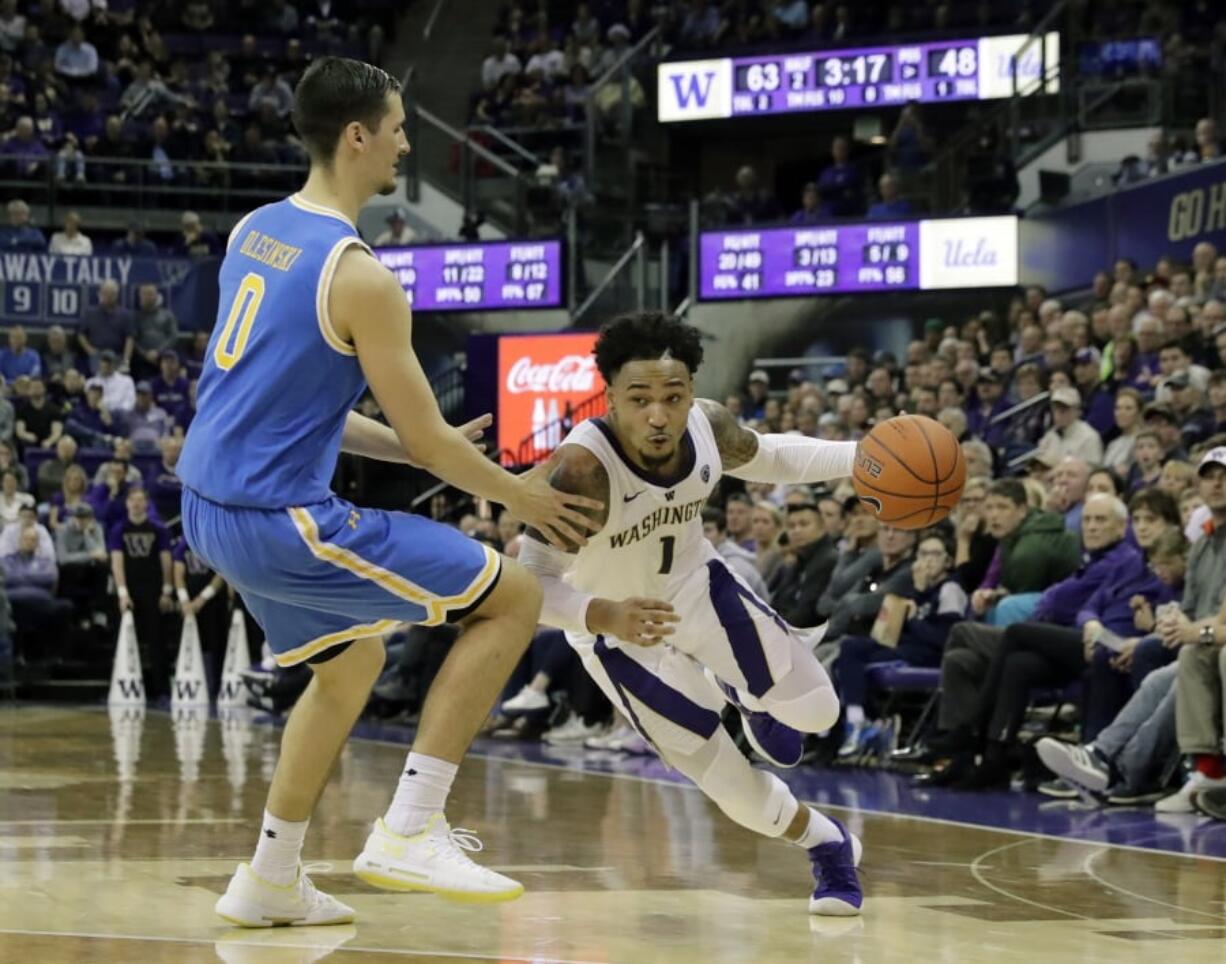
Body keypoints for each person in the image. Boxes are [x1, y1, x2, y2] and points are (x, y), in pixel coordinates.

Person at [176, 58, 600, 926]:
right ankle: (412, 826)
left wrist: (425, 453)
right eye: (399, 126)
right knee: (515, 595)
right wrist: (517, 496)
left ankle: (268, 878)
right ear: (356, 135)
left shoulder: (255, 230)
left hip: (206, 508)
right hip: (280, 522)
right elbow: (426, 436)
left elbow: (303, 410)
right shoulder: (362, 276)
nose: (408, 142)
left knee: (353, 662)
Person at [517, 312, 864, 917]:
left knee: (819, 711)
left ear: (690, 394)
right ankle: (829, 844)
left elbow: (773, 457)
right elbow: (531, 585)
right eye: (640, 399)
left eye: (673, 397)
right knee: (734, 791)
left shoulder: (707, 427)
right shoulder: (580, 471)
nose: (658, 415)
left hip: (697, 589)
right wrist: (604, 615)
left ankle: (742, 689)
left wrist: (866, 455)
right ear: (611, 397)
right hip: (614, 633)